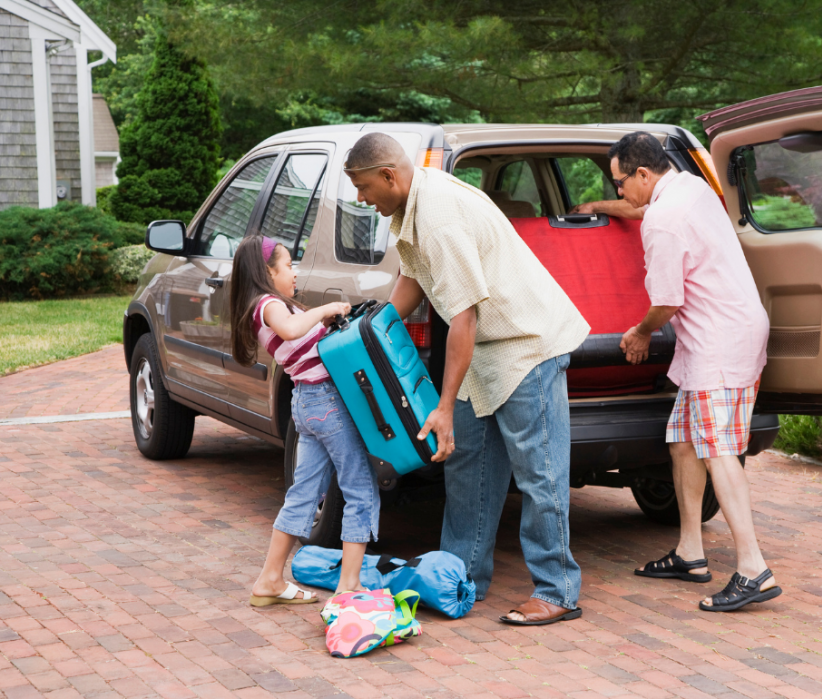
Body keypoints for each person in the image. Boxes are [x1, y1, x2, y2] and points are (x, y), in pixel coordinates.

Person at [343, 133, 590, 625]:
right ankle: (459, 579)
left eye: (364, 187)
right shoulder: (410, 206)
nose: (361, 199)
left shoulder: (439, 219)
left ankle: (557, 590)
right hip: (484, 356)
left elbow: (464, 317)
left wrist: (444, 406)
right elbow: (412, 280)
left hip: (525, 347)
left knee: (539, 474)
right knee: (467, 471)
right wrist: (370, 336)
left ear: (390, 175)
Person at [575, 132, 780, 612]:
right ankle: (690, 553)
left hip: (718, 343)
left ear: (644, 174)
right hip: (729, 332)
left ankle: (754, 568)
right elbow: (640, 207)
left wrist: (640, 334)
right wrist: (597, 204)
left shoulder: (664, 220)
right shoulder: (691, 187)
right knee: (683, 440)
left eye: (620, 182)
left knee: (720, 448)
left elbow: (668, 301)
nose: (620, 191)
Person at [229, 235, 377, 605]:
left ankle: (270, 580)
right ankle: (349, 586)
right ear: (267, 272)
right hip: (325, 401)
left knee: (304, 494)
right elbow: (293, 330)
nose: (294, 272)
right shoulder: (266, 305)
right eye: (289, 264)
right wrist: (325, 309)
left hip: (307, 405)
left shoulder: (262, 307)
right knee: (360, 486)